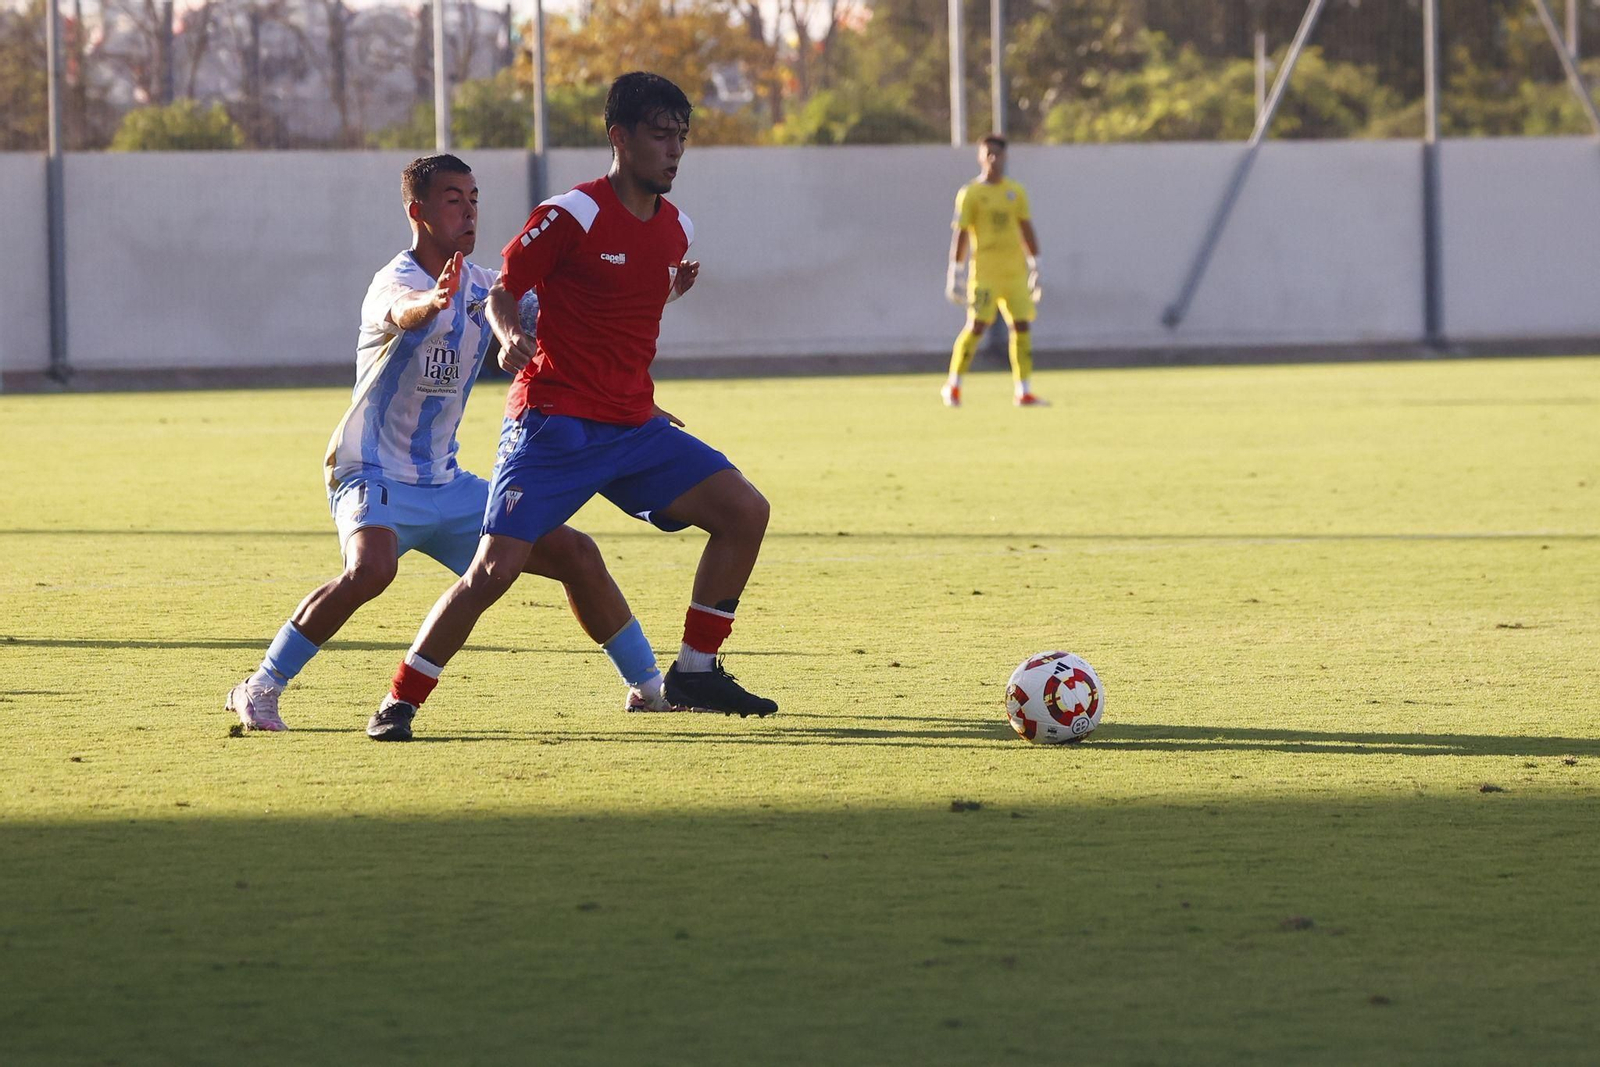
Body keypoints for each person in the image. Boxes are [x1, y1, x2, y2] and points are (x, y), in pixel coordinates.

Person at [367, 72, 777, 742]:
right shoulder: (569, 215)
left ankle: (695, 669)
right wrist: (509, 337)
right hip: (552, 425)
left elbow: (621, 312)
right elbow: (505, 291)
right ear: (620, 138)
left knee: (744, 510)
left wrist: (649, 390)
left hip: (632, 427)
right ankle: (400, 699)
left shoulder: (677, 229)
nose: (673, 150)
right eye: (659, 134)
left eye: (682, 136)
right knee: (494, 570)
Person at [226, 154, 665, 732]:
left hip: (446, 482)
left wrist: (658, 288)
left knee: (579, 555)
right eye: (454, 199)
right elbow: (401, 311)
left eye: (475, 198)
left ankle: (649, 687)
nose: (469, 210)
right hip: (372, 471)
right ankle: (258, 687)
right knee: (372, 570)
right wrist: (430, 304)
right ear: (419, 211)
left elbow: (574, 317)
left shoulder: (486, 287)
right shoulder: (397, 279)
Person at [942, 134, 1046, 408]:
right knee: (976, 326)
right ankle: (953, 385)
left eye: (997, 154)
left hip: (1013, 274)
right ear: (980, 156)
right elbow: (962, 233)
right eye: (987, 153)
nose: (992, 159)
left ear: (1005, 157)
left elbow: (1026, 228)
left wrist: (1036, 263)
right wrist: (956, 270)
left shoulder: (1015, 192)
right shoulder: (971, 193)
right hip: (985, 274)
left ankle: (1023, 390)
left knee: (1022, 326)